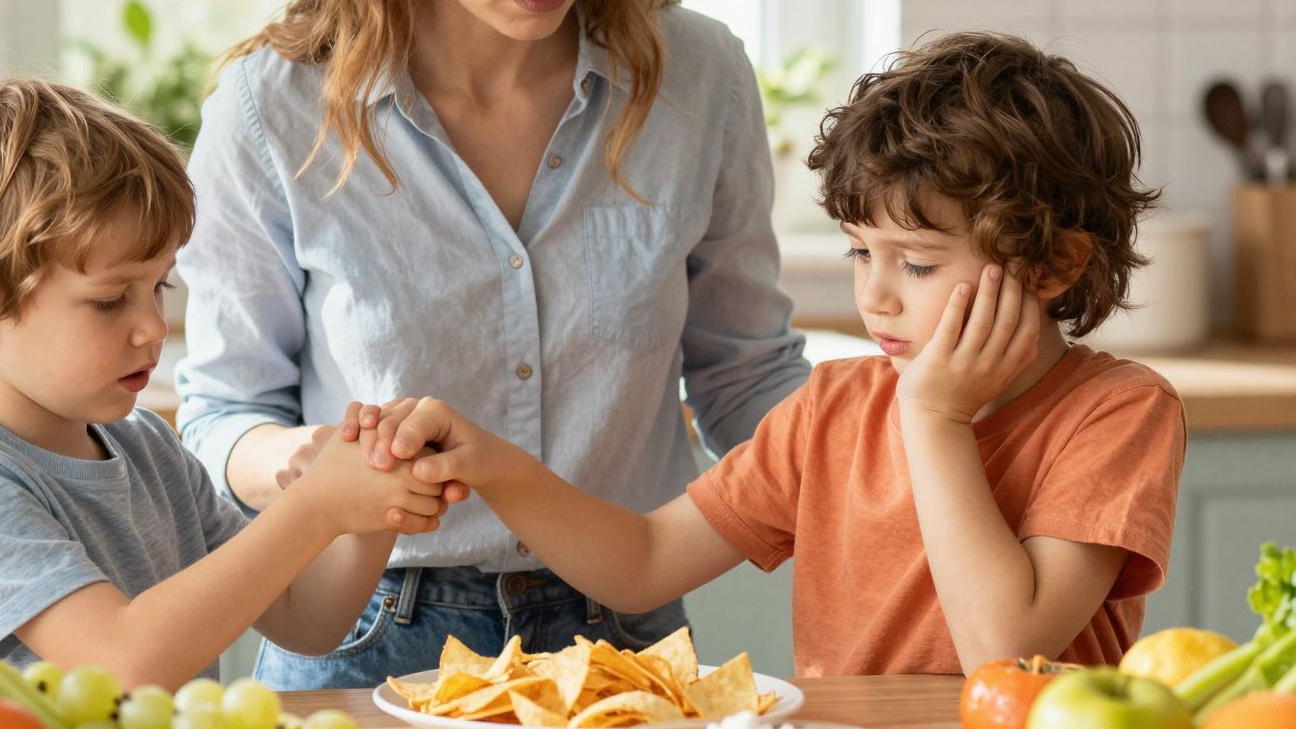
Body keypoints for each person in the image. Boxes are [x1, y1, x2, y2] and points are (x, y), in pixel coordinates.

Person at [176, 0, 809, 688]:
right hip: (364, 633)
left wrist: (890, 466)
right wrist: (311, 469)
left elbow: (746, 373)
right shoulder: (274, 108)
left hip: (629, 636)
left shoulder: (698, 79)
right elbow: (219, 411)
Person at [360, 33, 1188, 676]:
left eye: (917, 264)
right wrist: (497, 465)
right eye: (860, 252)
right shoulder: (833, 409)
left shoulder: (1117, 413)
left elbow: (1006, 657)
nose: (875, 296)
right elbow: (645, 562)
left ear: (1053, 266)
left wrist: (934, 419)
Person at [0, 77, 443, 687]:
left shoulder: (148, 447)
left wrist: (372, 499)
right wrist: (315, 507)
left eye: (159, 286)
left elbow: (308, 622)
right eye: (110, 300)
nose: (153, 327)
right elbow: (121, 662)